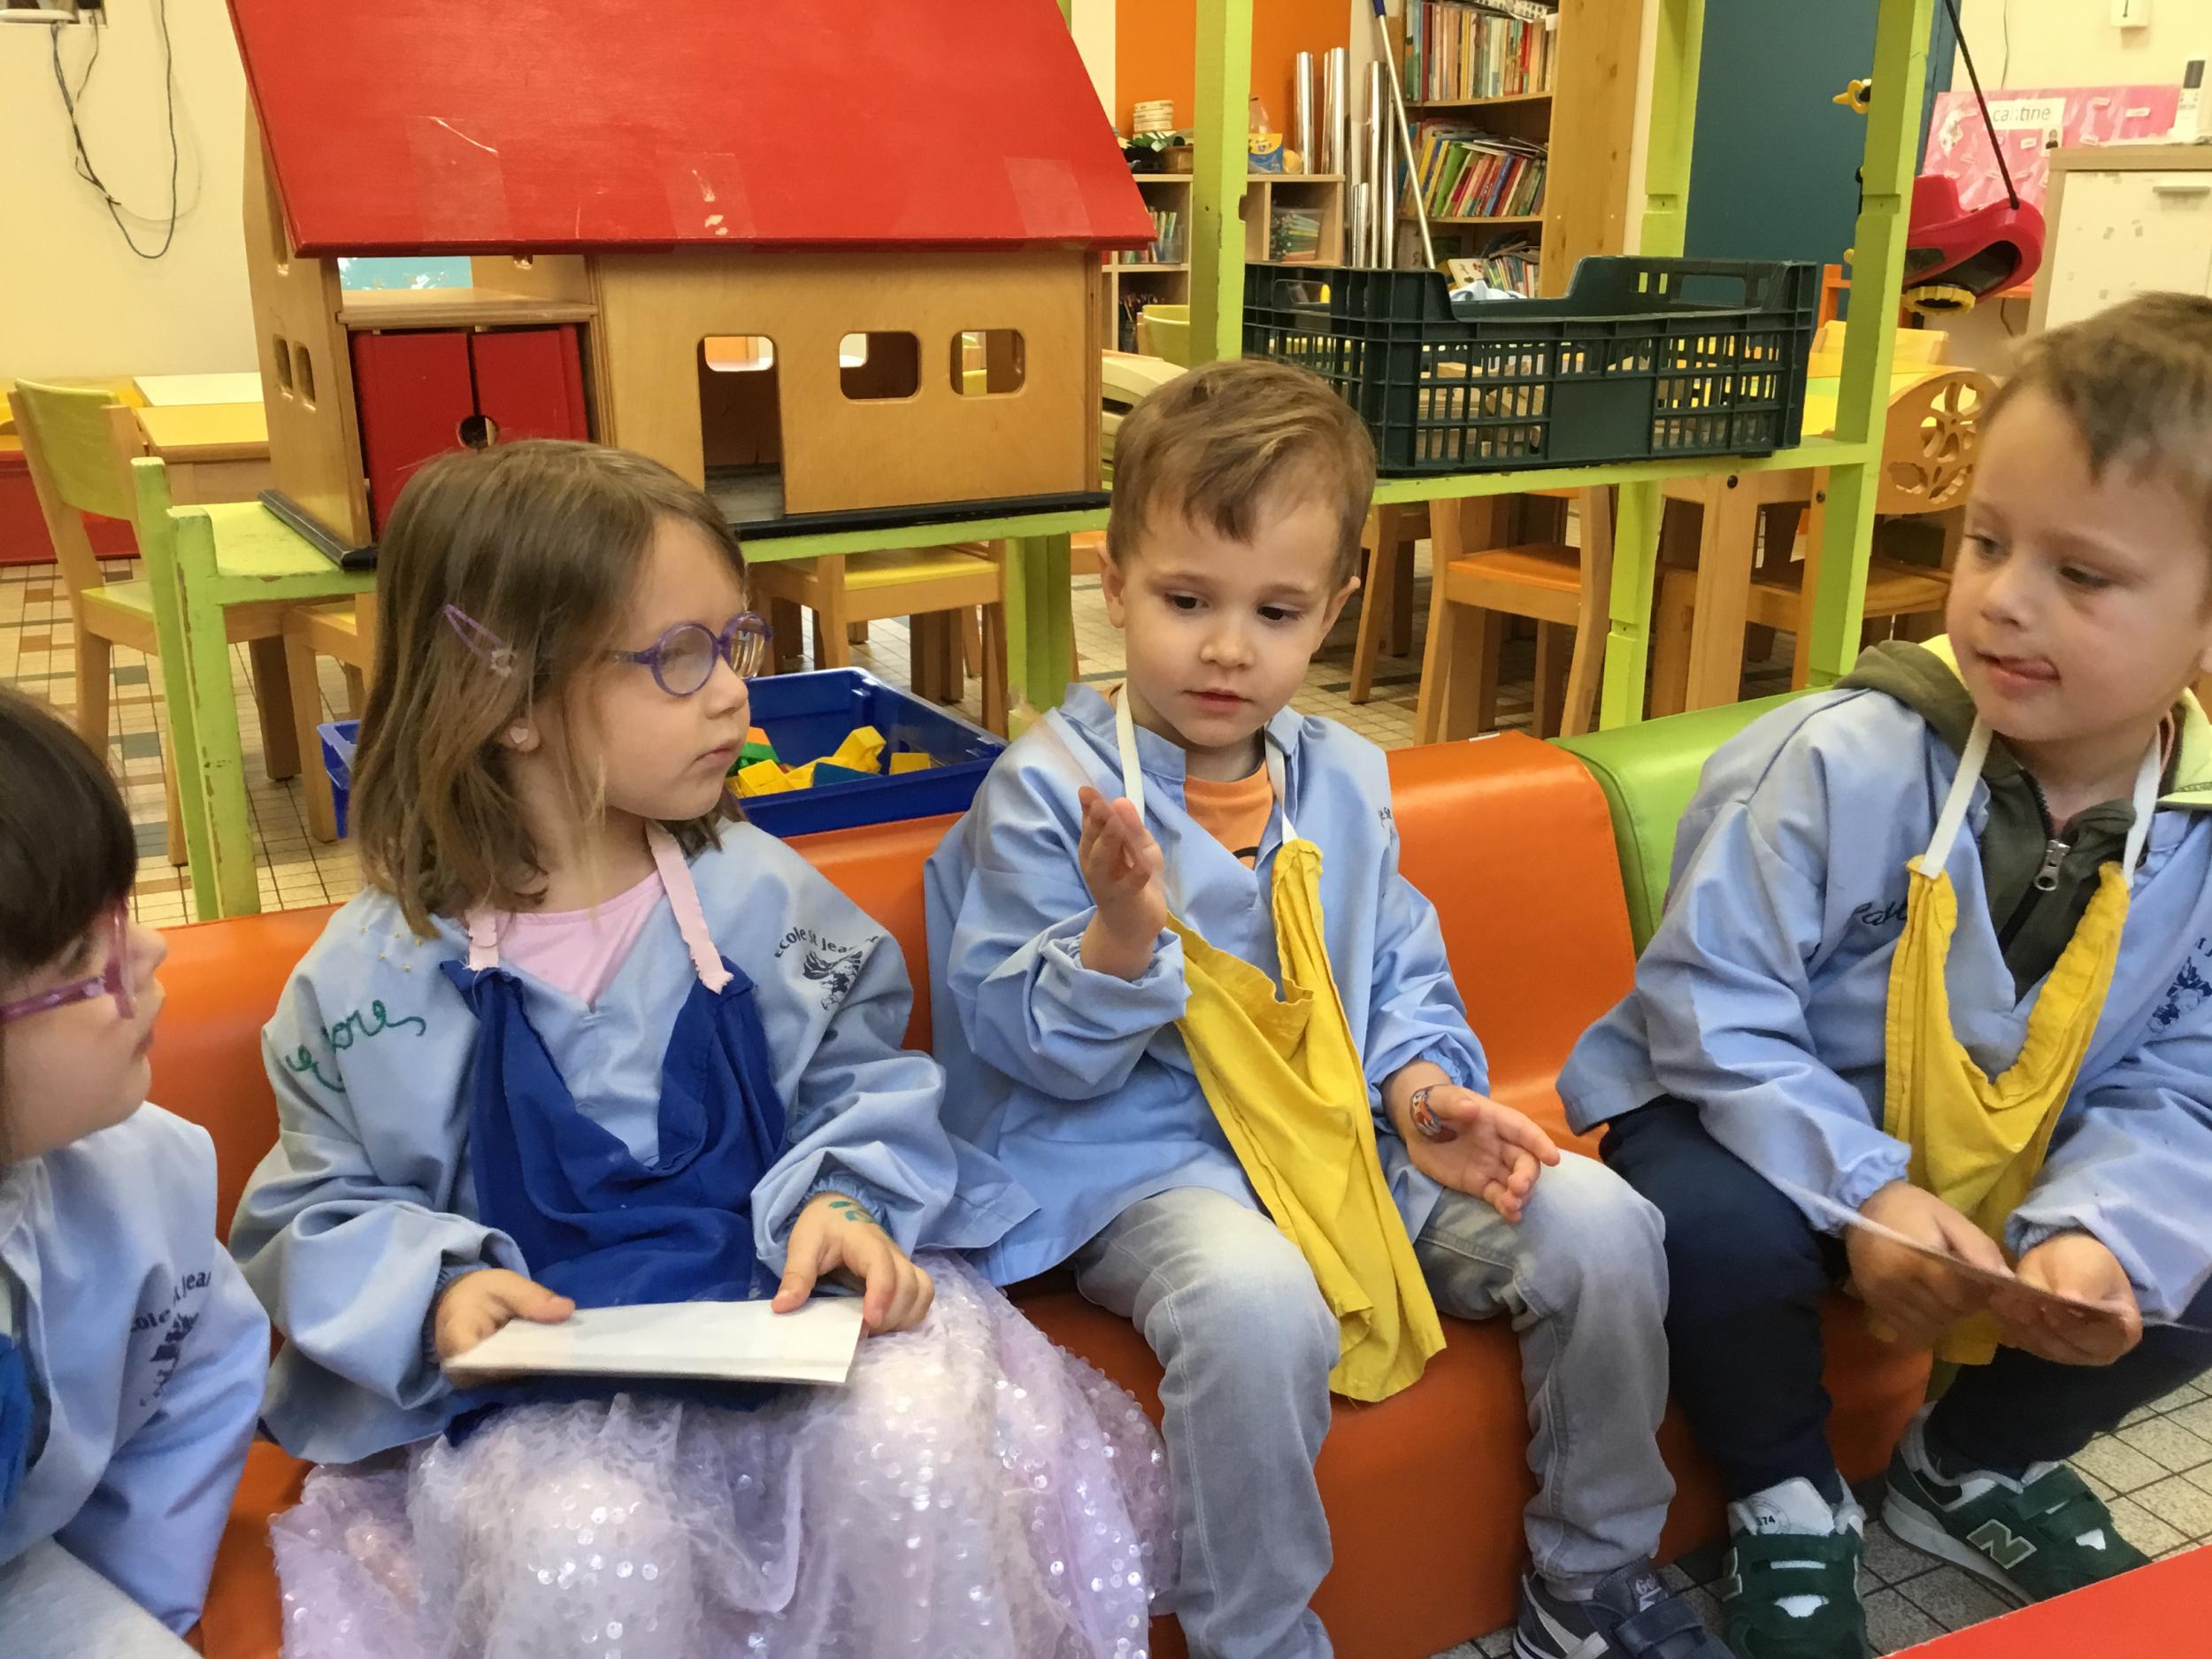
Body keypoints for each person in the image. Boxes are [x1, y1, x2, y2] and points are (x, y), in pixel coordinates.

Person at [229, 441, 1172, 1659]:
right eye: (680, 657)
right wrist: (439, 1294)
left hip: (783, 1319)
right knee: (586, 1541)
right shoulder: (369, 982)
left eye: (737, 643)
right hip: (544, 1402)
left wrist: (845, 1202)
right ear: (507, 698)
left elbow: (857, 1079)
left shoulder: (759, 896)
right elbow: (316, 1205)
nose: (733, 694)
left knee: (913, 1436)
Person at [926, 360, 1723, 1659]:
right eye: (1187, 599)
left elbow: (1397, 963)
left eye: (1277, 610)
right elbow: (1031, 1054)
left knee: (1602, 1223)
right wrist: (1120, 935)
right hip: (1142, 1162)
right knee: (1254, 1298)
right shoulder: (1046, 790)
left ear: (1337, 609)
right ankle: (1256, 1638)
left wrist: (1424, 1093)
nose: (1228, 647)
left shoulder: (1344, 776)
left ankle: (1591, 1574)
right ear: (1113, 582)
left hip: (1348, 1141)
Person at [1563, 292, 2212, 1659]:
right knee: (1706, 1220)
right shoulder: (1837, 755)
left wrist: (2104, 1233)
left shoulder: (2200, 832)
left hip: (2015, 1165)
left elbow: (2183, 1080)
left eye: (2082, 573)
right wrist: (1864, 1187)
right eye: (1986, 539)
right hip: (1762, 1124)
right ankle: (1788, 1495)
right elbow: (1709, 1006)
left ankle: (1970, 1461)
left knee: (2190, 1244)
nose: (2004, 596)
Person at [0, 687, 269, 1657]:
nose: (148, 949)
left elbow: (202, 1375)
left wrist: (136, 1608)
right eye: (85, 951)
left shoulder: (145, 1174)